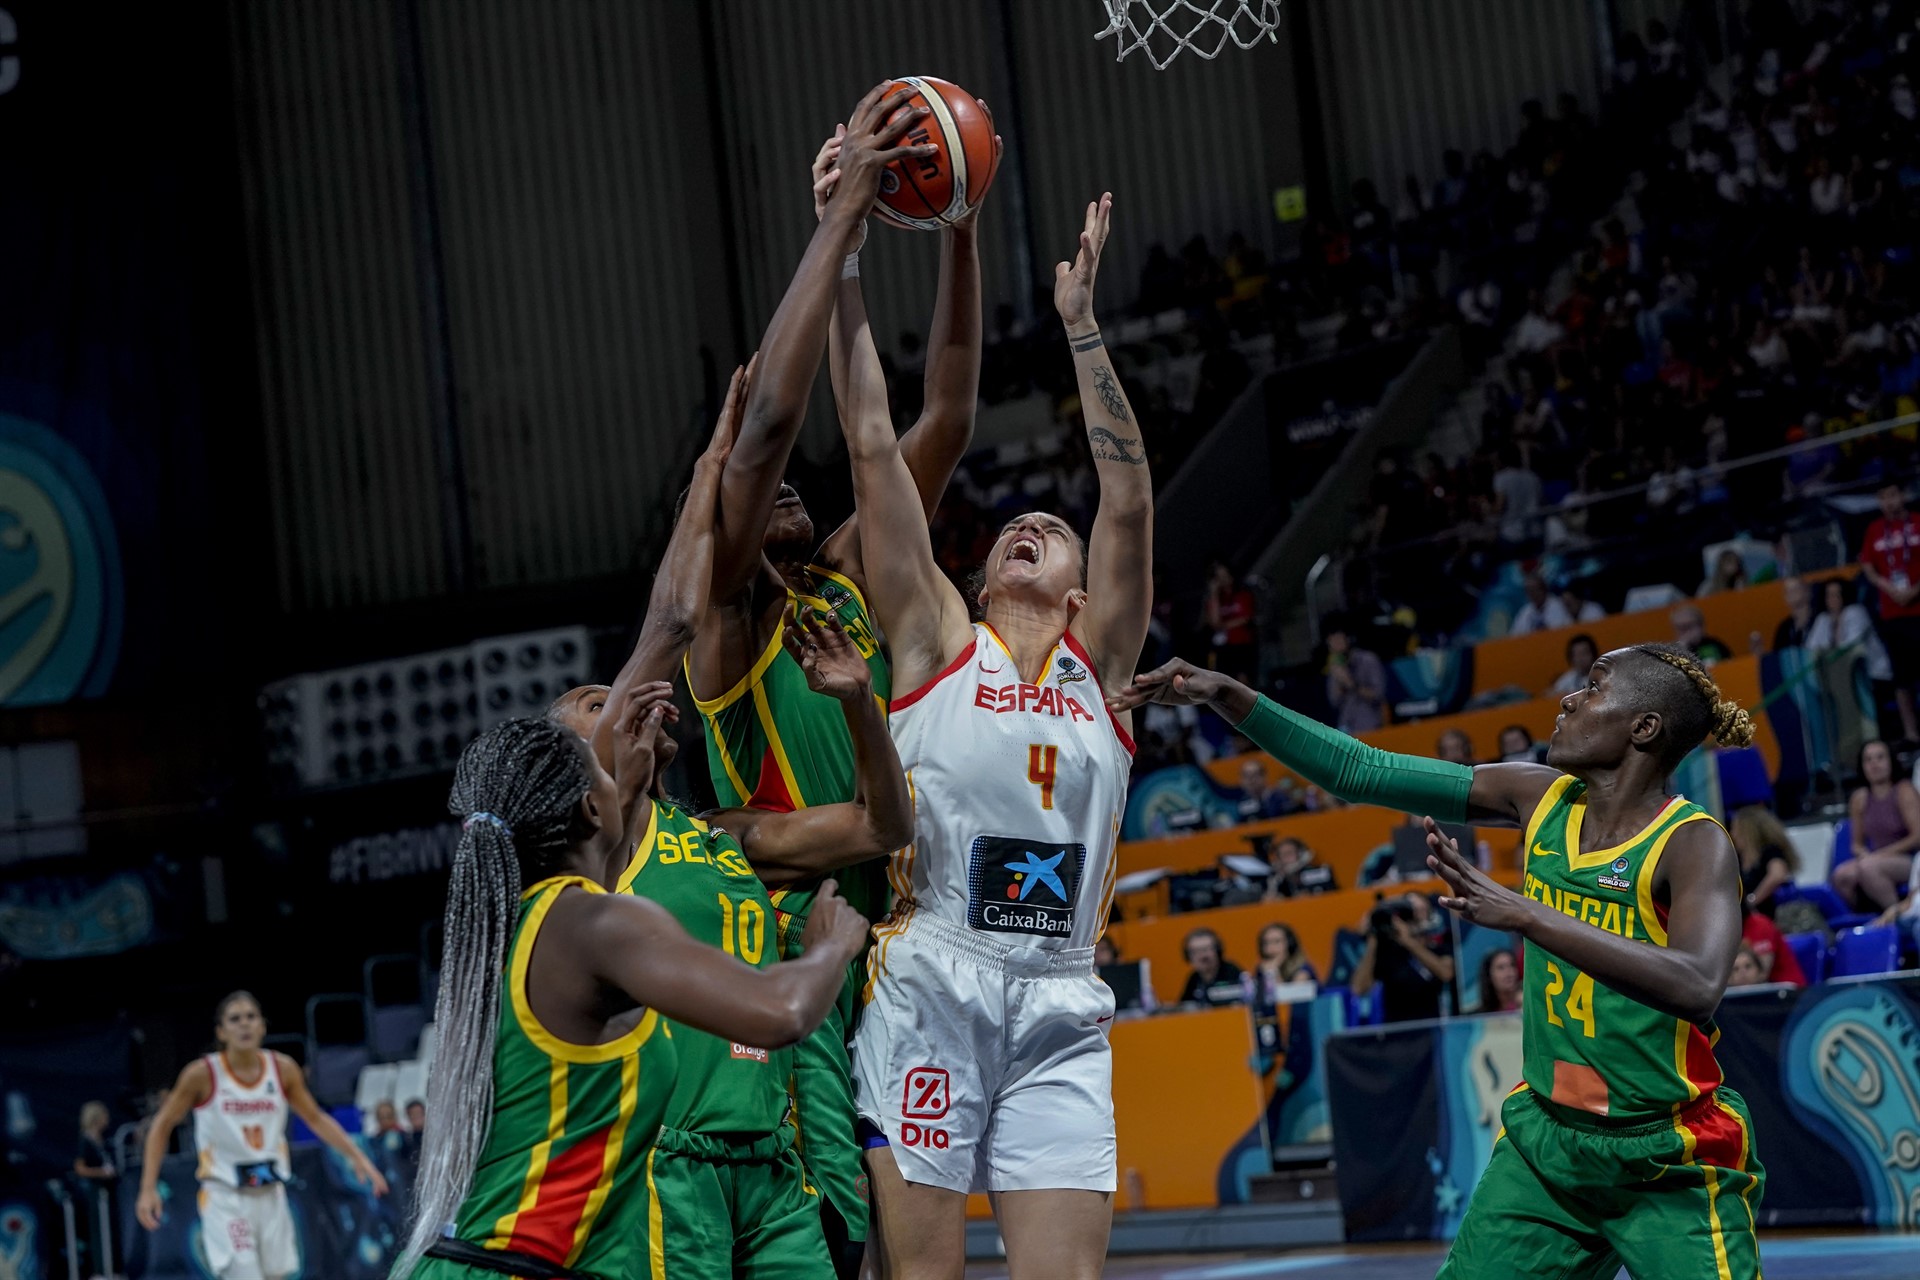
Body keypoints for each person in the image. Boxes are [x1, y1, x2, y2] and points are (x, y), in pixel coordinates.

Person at [1110, 641, 1764, 1278]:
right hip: (1549, 1144)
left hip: (1667, 1150)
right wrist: (1231, 697)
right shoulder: (1539, 797)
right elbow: (1359, 771)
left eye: (1593, 687)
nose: (1568, 699)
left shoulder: (1692, 842)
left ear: (1644, 727)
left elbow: (1698, 984)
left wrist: (1527, 914)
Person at [673, 97, 975, 1277]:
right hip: (804, 939)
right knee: (827, 1235)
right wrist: (839, 223)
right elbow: (764, 438)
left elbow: (941, 415)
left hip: (902, 937)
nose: (789, 486)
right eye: (762, 497)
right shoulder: (728, 627)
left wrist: (953, 224)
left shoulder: (843, 576)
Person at [830, 191, 1149, 1280]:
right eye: (1017, 525)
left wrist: (1081, 326)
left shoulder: (1101, 671)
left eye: (1052, 530)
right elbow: (875, 446)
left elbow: (1127, 498)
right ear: (977, 581)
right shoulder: (935, 642)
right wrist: (845, 259)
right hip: (935, 979)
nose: (1031, 524)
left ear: (1081, 596)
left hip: (1062, 992)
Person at [548, 342, 915, 1280]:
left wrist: (859, 704)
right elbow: (675, 617)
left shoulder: (720, 836)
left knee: (852, 1247)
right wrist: (720, 458)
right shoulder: (587, 859)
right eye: (593, 705)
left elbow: (881, 827)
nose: (622, 700)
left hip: (777, 1145)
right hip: (668, 1156)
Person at [388, 709, 872, 1280]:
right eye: (604, 770)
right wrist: (828, 949)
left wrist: (633, 779)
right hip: (518, 1267)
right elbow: (782, 1014)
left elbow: (611, 872)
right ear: (593, 808)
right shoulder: (594, 927)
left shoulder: (525, 926)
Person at [136, 992, 390, 1280]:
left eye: (250, 1017)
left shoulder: (282, 1070)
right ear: (221, 1032)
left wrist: (357, 1157)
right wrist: (148, 1187)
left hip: (271, 1192)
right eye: (235, 1019)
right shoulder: (202, 1074)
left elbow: (316, 1118)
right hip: (226, 1195)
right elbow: (161, 1125)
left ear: (262, 1026)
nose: (244, 1024)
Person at [1858, 481, 1920, 742]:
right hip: (1892, 614)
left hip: (1918, 607)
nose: (1889, 502)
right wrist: (1889, 587)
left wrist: (1915, 589)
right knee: (1901, 677)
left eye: (1893, 495)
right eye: (1883, 497)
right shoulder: (1874, 529)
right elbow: (1868, 567)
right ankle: (1911, 734)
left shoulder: (1917, 522)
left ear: (1902, 495)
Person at [1806, 577, 1902, 736]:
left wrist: (1827, 649)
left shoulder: (1856, 612)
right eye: (1829, 595)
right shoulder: (1823, 619)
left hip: (1872, 674)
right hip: (1839, 678)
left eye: (1837, 594)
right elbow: (1811, 648)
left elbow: (1849, 647)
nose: (1833, 599)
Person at [1836, 739, 1920, 912]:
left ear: (1891, 762)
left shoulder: (1904, 791)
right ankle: (1863, 919)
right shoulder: (1859, 798)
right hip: (1875, 858)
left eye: (1880, 758)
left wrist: (1881, 855)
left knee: (1868, 867)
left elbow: (1917, 837)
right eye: (1868, 759)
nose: (1874, 764)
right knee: (1842, 875)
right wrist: (1865, 854)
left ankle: (1897, 915)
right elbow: (1856, 844)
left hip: (1910, 859)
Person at [1349, 890, 1456, 1022]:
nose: (1415, 916)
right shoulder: (1389, 950)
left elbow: (1446, 973)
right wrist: (1373, 939)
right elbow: (1358, 988)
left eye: (1420, 910)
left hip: (1431, 1025)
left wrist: (1407, 940)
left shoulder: (1438, 943)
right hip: (1396, 1028)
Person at [1730, 806, 1798, 917]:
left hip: (1768, 916)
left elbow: (1778, 875)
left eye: (1735, 829)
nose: (1732, 834)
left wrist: (1752, 900)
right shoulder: (1738, 858)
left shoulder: (1770, 851)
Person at [74, 1101, 116, 1280]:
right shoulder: (85, 1140)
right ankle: (99, 1270)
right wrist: (101, 1173)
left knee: (110, 1228)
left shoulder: (103, 1140)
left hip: (108, 1189)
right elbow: (80, 1168)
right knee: (98, 1229)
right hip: (94, 1189)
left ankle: (111, 1268)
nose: (107, 1119)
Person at [1325, 624, 1387, 734]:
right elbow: (1334, 701)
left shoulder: (1368, 660)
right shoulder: (1335, 667)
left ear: (1348, 640)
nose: (1335, 646)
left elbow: (1378, 694)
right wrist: (1339, 683)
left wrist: (1350, 683)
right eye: (1331, 642)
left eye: (1338, 641)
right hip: (1346, 725)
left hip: (1369, 724)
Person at [1203, 560, 1258, 679]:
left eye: (1225, 575)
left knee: (1243, 680)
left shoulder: (1243, 594)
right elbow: (1214, 622)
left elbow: (1245, 618)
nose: (1223, 580)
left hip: (1242, 644)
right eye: (1219, 577)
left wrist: (1223, 625)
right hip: (1222, 649)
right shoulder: (1215, 600)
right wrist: (1214, 594)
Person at [1179, 928, 1247, 1005]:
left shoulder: (1232, 972)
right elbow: (1183, 1006)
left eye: (1207, 949)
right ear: (1188, 956)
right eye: (1196, 951)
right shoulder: (1194, 979)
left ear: (1218, 951)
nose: (1203, 956)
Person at [1253, 922, 1317, 1000]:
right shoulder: (1262, 970)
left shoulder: (1303, 969)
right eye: (1266, 943)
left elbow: (1290, 999)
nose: (1270, 949)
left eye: (1276, 942)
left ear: (1290, 945)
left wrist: (1273, 974)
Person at [1511, 571, 1571, 635]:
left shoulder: (1559, 605)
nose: (1532, 594)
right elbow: (1514, 635)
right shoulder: (1524, 612)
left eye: (1534, 590)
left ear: (1544, 589)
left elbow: (1566, 629)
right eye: (1529, 591)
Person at [1235, 758, 1290, 822]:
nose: (1251, 780)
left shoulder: (1279, 797)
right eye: (1246, 776)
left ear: (1264, 776)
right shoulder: (1242, 802)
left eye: (1255, 775)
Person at [1549, 634, 1600, 698]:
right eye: (1577, 655)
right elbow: (1550, 694)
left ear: (1593, 654)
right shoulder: (1570, 677)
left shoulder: (1603, 675)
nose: (1581, 658)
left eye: (1584, 653)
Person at [1771, 576, 1815, 651]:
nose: (1792, 593)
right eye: (1788, 591)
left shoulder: (1821, 619)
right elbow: (1777, 654)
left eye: (1796, 589)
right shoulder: (1783, 628)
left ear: (1807, 591)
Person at [1477, 948, 1522, 1013]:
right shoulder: (1481, 1014)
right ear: (1489, 976)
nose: (1509, 971)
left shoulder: (1527, 1003)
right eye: (1501, 967)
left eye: (1512, 965)